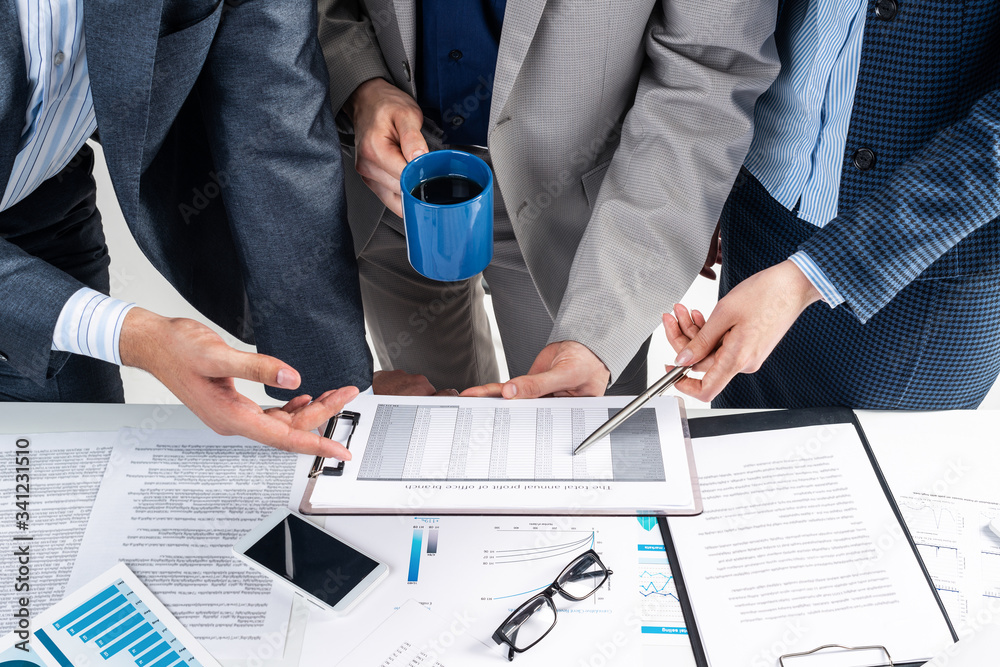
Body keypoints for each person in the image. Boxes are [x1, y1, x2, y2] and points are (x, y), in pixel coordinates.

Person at [316, 0, 780, 399]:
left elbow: (707, 69)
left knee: (574, 442)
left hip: (575, 212)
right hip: (384, 183)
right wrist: (360, 84)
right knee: (431, 436)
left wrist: (600, 334)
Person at [0, 0, 374, 458]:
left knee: (77, 470)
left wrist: (335, 394)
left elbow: (275, 116)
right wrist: (137, 336)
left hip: (40, 207)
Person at [665, 0, 1000, 409]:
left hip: (919, 273)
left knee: (864, 468)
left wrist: (809, 277)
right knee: (739, 457)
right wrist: (713, 179)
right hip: (760, 215)